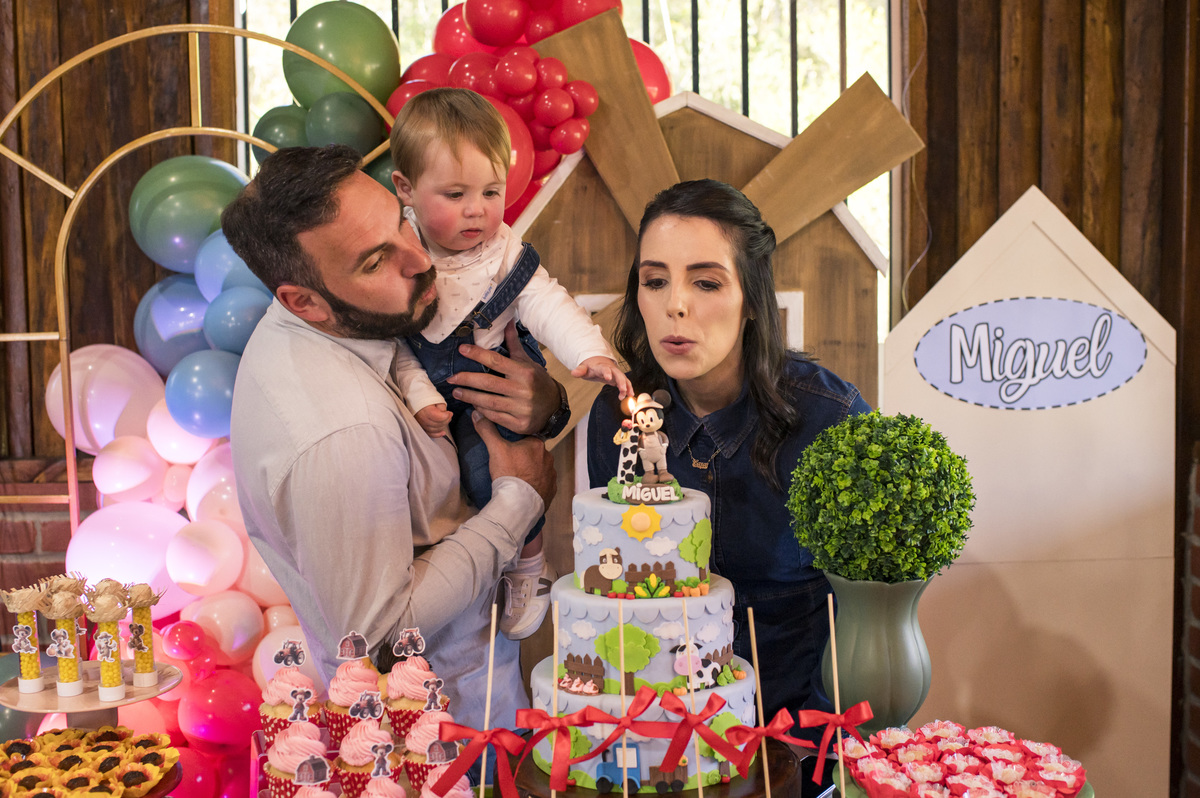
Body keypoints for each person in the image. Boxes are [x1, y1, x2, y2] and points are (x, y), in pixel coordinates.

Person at [222, 144, 560, 735]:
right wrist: (519, 501)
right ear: (304, 301)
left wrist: (547, 407)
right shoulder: (344, 434)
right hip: (432, 742)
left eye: (401, 220)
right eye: (376, 261)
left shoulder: (350, 324)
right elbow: (376, 637)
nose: (419, 258)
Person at [586, 179, 871, 737]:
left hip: (801, 743)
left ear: (751, 299)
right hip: (658, 737)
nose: (675, 305)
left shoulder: (829, 421)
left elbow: (871, 621)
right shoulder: (619, 416)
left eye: (707, 281)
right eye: (654, 281)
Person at [389, 88, 632, 641]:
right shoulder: (398, 250)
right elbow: (395, 346)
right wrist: (420, 392)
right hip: (425, 395)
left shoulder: (500, 253)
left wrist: (587, 352)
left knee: (490, 475)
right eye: (455, 194)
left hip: (488, 387)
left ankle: (529, 562)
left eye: (491, 191)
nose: (477, 209)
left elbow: (546, 302)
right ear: (405, 188)